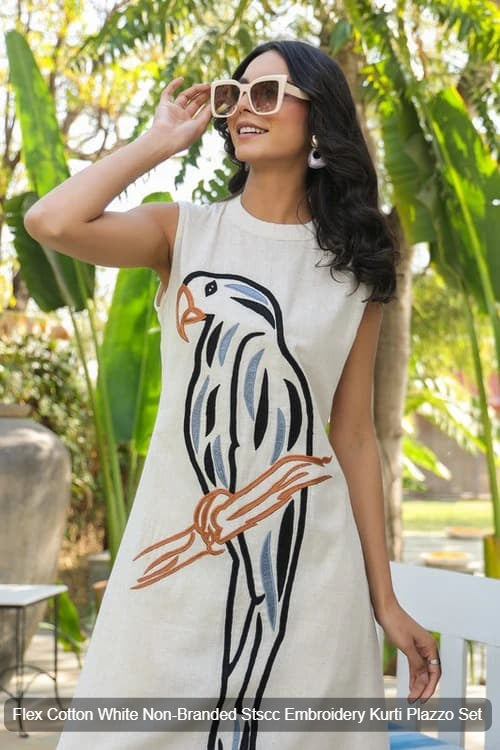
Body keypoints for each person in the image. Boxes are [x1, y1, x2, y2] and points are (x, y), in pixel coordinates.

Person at [25, 38, 441, 750]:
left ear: (319, 120)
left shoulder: (355, 266)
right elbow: (51, 222)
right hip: (173, 572)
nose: (244, 106)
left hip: (312, 574)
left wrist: (385, 601)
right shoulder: (182, 231)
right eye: (233, 94)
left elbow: (353, 436)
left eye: (268, 93)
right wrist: (159, 142)